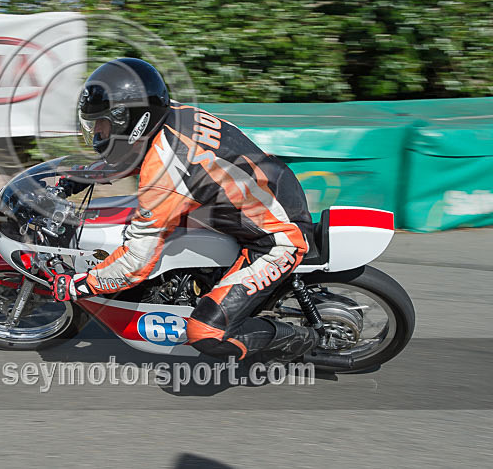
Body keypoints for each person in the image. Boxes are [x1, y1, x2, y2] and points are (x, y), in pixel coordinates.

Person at [51, 57, 320, 364]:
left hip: (276, 237)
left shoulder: (164, 170)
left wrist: (83, 284)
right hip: (263, 195)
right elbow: (132, 156)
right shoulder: (170, 113)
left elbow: (136, 262)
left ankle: (304, 340)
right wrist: (78, 177)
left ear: (130, 120)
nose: (98, 133)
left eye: (103, 124)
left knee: (205, 334)